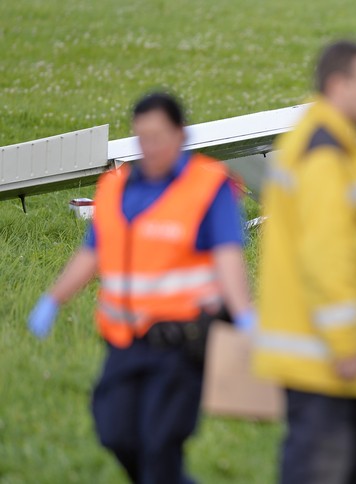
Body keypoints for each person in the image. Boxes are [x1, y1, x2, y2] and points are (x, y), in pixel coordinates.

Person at [27, 92, 255, 484]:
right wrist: (52, 300)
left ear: (180, 136)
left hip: (183, 344)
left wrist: (247, 317)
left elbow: (228, 258)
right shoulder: (114, 187)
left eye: (158, 137)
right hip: (124, 342)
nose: (149, 148)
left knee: (160, 446)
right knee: (116, 435)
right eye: (142, 138)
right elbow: (91, 253)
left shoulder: (208, 187)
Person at [252, 40, 356, 484]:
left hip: (337, 356)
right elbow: (326, 255)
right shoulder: (325, 153)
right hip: (331, 359)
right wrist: (345, 342)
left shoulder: (328, 141)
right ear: (339, 85)